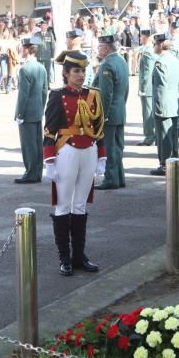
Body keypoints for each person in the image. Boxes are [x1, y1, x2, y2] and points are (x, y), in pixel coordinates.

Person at [42, 50, 106, 276]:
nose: (81, 75)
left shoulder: (93, 95)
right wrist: (49, 159)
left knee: (80, 204)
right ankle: (64, 257)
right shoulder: (58, 96)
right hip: (66, 151)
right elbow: (49, 129)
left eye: (83, 71)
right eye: (76, 71)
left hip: (89, 150)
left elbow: (99, 127)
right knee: (63, 204)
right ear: (66, 74)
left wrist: (102, 155)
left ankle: (79, 255)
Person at [94, 34, 129, 190]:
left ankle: (111, 179)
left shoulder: (107, 65)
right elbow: (125, 89)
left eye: (100, 47)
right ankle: (119, 177)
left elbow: (105, 94)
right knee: (117, 146)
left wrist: (103, 115)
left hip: (109, 113)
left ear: (106, 48)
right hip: (120, 110)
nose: (98, 50)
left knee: (109, 147)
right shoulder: (121, 61)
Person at [13, 36, 49, 184]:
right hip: (37, 110)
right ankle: (37, 172)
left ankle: (30, 173)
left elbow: (23, 95)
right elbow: (45, 91)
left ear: (28, 50)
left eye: (23, 48)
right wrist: (41, 107)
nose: (21, 50)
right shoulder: (41, 68)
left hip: (27, 112)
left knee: (28, 145)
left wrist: (19, 114)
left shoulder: (25, 69)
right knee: (37, 143)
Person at [149, 32, 179, 176]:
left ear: (161, 45)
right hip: (174, 102)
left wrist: (158, 107)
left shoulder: (160, 62)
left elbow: (160, 87)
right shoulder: (175, 60)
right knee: (172, 135)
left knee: (163, 137)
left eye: (155, 44)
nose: (153, 47)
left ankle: (165, 164)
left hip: (163, 104)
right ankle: (174, 161)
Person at [135, 29, 156, 146]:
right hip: (151, 87)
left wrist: (143, 88)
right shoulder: (149, 50)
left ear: (147, 37)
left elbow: (147, 72)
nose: (140, 38)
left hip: (148, 88)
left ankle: (149, 137)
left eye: (142, 36)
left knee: (147, 113)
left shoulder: (148, 52)